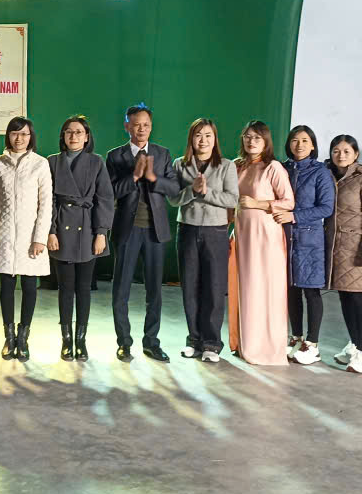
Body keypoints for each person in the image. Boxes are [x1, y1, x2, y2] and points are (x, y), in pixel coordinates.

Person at [105, 104, 180, 362]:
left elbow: (174, 189)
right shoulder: (115, 156)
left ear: (151, 126)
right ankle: (124, 343)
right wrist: (134, 177)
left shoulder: (162, 153)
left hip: (155, 231)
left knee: (154, 292)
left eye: (146, 125)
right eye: (136, 124)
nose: (141, 129)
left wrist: (152, 178)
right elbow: (109, 192)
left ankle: (151, 342)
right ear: (127, 126)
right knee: (121, 291)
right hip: (127, 230)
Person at [170, 118, 239, 363]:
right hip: (187, 230)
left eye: (208, 135)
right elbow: (173, 199)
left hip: (215, 232)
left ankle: (211, 343)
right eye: (198, 135)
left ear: (215, 139)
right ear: (191, 138)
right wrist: (192, 190)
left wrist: (206, 192)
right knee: (190, 286)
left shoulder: (226, 165)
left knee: (214, 287)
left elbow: (232, 199)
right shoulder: (179, 164)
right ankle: (194, 340)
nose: (203, 140)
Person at [0, 117, 53, 361]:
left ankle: (23, 337)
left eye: (24, 134)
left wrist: (40, 238)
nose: (19, 138)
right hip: (4, 234)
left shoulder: (40, 164)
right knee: (6, 285)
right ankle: (9, 336)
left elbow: (46, 204)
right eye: (15, 133)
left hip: (30, 236)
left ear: (30, 137)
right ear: (8, 136)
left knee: (29, 285)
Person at [48, 116, 114, 361]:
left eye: (78, 132)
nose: (73, 136)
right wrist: (50, 231)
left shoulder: (96, 162)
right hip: (61, 229)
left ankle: (81, 340)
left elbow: (105, 199)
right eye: (68, 132)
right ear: (63, 136)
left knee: (84, 288)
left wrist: (101, 233)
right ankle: (66, 340)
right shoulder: (52, 161)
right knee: (65, 288)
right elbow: (47, 200)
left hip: (88, 230)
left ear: (87, 137)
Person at [231, 121, 295, 366]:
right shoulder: (237, 166)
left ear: (266, 141)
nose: (251, 141)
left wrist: (257, 204)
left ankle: (266, 347)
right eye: (247, 136)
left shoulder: (273, 167)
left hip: (266, 236)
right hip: (241, 234)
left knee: (264, 288)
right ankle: (246, 343)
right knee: (245, 288)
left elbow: (288, 202)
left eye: (257, 137)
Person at [326, 135, 362, 374]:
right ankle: (354, 345)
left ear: (356, 154)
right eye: (336, 151)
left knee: (359, 300)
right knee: (345, 298)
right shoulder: (328, 175)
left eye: (346, 151)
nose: (341, 155)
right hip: (336, 246)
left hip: (358, 247)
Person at [279, 125, 335, 365]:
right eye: (295, 140)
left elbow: (326, 208)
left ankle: (312, 344)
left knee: (311, 291)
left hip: (310, 240)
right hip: (284, 237)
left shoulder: (320, 172)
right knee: (291, 290)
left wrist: (294, 216)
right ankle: (296, 337)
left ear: (312, 145)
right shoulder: (282, 168)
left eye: (304, 140)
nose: (299, 145)